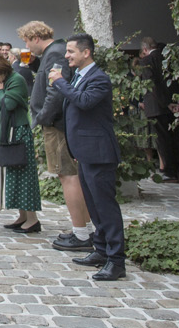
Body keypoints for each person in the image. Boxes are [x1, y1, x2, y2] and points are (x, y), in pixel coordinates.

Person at [48, 33, 125, 281]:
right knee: (93, 206)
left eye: (71, 51)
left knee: (105, 207)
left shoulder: (98, 78)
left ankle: (116, 261)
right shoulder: (80, 77)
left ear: (86, 52)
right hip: (84, 152)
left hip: (99, 152)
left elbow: (84, 101)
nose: (67, 55)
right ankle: (100, 251)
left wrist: (59, 82)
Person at [20, 20, 95, 253]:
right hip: (56, 121)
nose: (27, 46)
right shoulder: (52, 53)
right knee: (69, 176)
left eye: (26, 41)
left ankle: (82, 233)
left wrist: (41, 117)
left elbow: (56, 90)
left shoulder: (54, 54)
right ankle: (87, 229)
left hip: (57, 124)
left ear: (35, 37)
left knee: (68, 176)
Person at [0, 54, 41, 233]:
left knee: (24, 175)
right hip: (11, 132)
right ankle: (23, 216)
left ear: (0, 70)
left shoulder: (16, 80)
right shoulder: (7, 81)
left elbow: (7, 104)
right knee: (14, 176)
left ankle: (32, 220)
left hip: (18, 132)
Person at [138, 37, 179, 183]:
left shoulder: (146, 61)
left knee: (163, 140)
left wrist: (165, 103)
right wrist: (175, 102)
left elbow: (152, 86)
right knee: (176, 138)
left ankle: (169, 172)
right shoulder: (168, 59)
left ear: (145, 49)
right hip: (173, 104)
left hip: (158, 106)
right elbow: (176, 81)